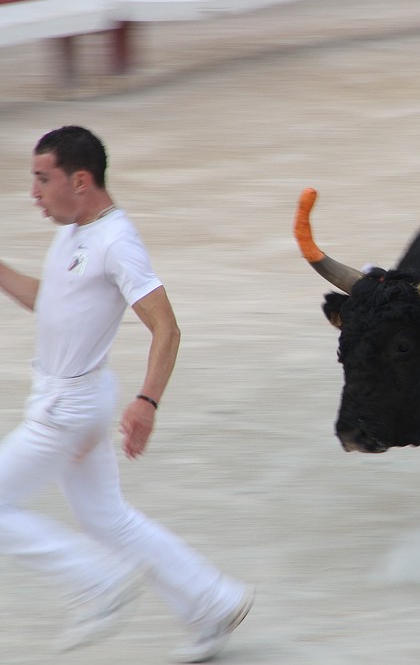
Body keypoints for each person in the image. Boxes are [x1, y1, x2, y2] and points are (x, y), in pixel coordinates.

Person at [0, 126, 253, 662]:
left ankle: (96, 583)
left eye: (43, 180)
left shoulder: (117, 241)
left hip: (66, 409)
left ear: (81, 180)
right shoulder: (74, 231)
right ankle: (212, 601)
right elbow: (55, 302)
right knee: (106, 517)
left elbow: (167, 326)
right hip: (77, 401)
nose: (34, 193)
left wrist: (148, 401)